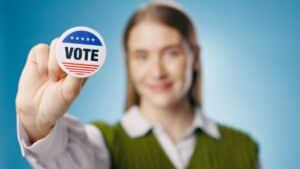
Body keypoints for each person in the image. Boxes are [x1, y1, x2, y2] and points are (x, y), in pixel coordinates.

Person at [16, 1, 260, 169]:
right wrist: (39, 127)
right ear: (128, 63)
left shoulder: (243, 148)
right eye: (142, 56)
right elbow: (63, 157)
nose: (157, 71)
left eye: (171, 53)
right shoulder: (104, 143)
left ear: (194, 57)